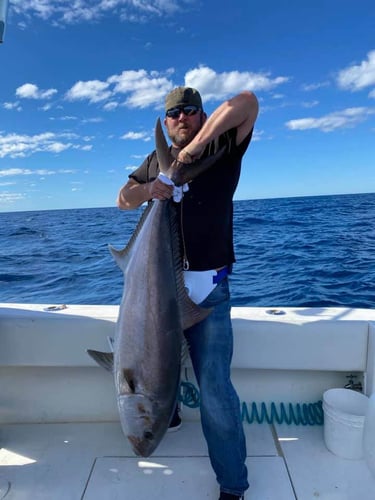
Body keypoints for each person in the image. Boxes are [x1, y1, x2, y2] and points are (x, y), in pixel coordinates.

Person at [117, 86, 258, 500]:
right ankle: (169, 415)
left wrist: (193, 152)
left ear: (202, 115)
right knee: (155, 363)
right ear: (166, 122)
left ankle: (233, 486)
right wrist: (151, 189)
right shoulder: (152, 164)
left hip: (206, 289)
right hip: (155, 287)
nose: (182, 118)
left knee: (214, 388)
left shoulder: (224, 145)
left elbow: (246, 102)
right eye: (174, 114)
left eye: (190, 111)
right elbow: (123, 199)